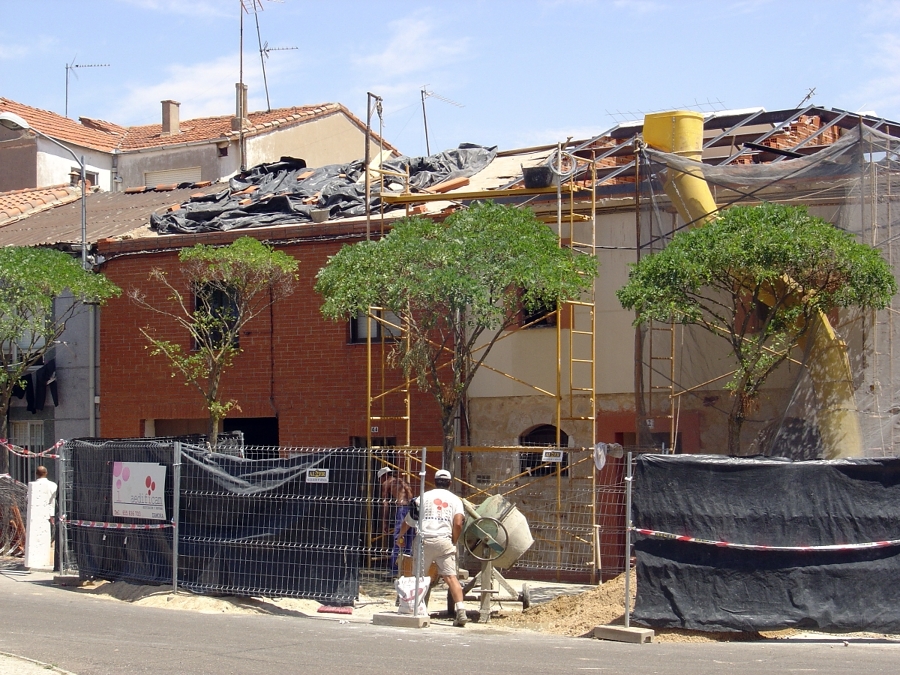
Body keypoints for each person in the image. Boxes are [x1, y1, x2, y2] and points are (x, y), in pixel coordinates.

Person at [397, 468, 468, 627]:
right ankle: (461, 611)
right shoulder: (456, 500)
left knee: (419, 578)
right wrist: (453, 540)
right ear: (450, 483)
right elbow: (458, 523)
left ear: (435, 482)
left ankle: (420, 610)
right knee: (451, 577)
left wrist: (400, 536)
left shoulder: (422, 498)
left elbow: (409, 520)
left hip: (423, 541)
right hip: (444, 541)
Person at [378, 466, 414, 575]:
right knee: (409, 541)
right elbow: (411, 496)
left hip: (402, 509)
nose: (380, 482)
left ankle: (394, 570)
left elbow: (385, 504)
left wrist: (384, 522)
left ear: (384, 476)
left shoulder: (387, 483)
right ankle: (407, 570)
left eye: (380, 479)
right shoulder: (402, 482)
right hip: (412, 509)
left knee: (398, 539)